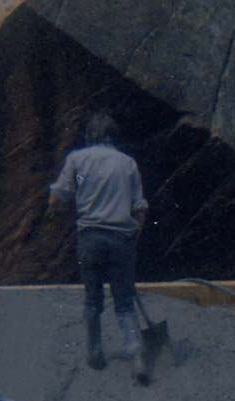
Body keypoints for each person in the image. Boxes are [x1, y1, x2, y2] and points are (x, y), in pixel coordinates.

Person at [47, 112, 150, 382]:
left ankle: (94, 353)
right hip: (122, 239)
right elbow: (140, 208)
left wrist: (57, 212)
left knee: (93, 299)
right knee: (124, 302)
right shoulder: (127, 163)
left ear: (89, 135)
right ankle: (136, 351)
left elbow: (59, 197)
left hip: (90, 238)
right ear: (113, 136)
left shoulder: (77, 160)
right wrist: (133, 237)